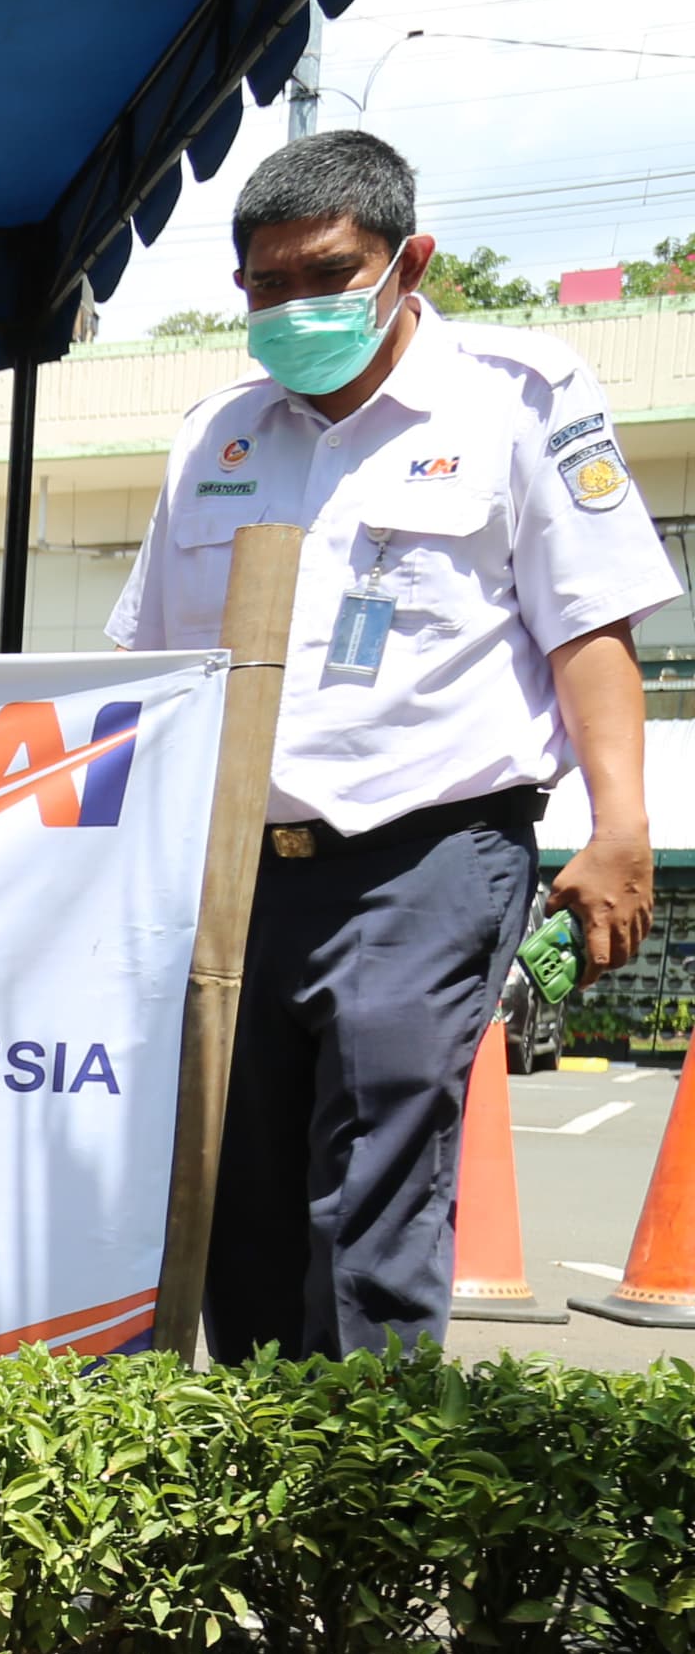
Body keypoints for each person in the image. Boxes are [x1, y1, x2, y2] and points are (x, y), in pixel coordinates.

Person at [110, 130, 672, 1358]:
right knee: (233, 1188)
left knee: (369, 1183)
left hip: (425, 856)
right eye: (264, 284)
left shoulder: (517, 399)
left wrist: (619, 826)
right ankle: (264, 1469)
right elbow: (151, 671)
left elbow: (588, 629)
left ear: (406, 260)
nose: (290, 307)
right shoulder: (215, 435)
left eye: (324, 275)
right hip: (235, 873)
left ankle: (363, 1487)